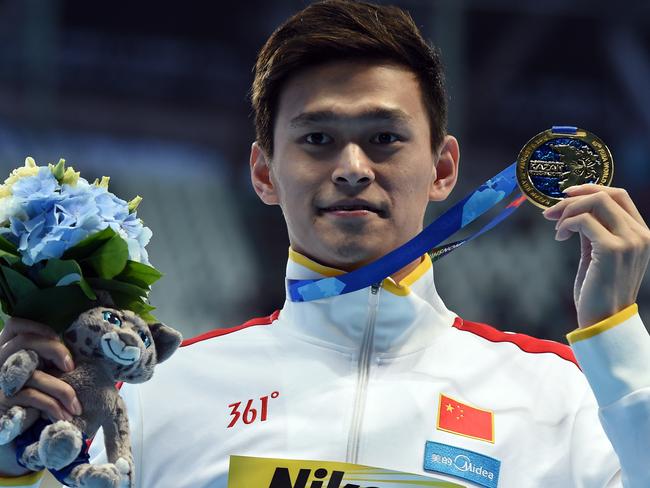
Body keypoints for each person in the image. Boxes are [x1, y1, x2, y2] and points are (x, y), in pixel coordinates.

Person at [2, 1, 650, 486]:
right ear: (263, 171)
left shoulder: (562, 398)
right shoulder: (155, 396)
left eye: (384, 138)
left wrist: (615, 339)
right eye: (317, 139)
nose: (351, 167)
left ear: (444, 169)